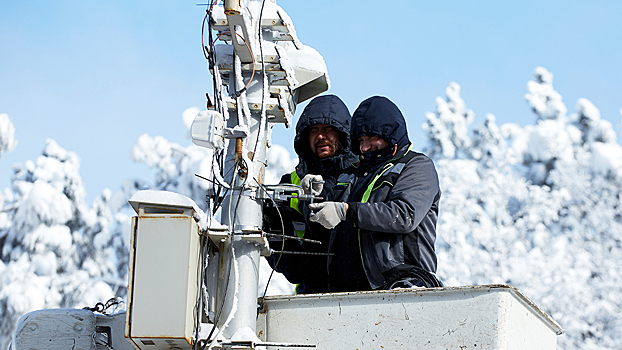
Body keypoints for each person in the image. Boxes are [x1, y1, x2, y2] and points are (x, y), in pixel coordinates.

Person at [309, 96, 443, 292]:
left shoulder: (416, 166)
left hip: (405, 283)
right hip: (348, 292)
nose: (365, 147)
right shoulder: (353, 175)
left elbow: (404, 214)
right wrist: (315, 196)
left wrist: (347, 211)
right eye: (361, 140)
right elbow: (328, 224)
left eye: (372, 137)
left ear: (391, 134)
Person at [264, 94, 357, 294]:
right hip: (310, 298)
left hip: (360, 295)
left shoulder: (362, 177)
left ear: (343, 134)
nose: (321, 136)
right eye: (314, 130)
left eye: (328, 128)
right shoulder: (291, 184)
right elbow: (279, 251)